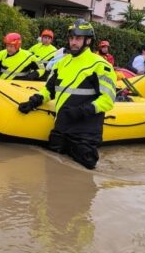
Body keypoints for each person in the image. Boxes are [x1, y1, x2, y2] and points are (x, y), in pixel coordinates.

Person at [17, 19, 116, 169]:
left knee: (83, 176)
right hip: (62, 127)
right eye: (71, 38)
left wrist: (81, 111)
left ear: (88, 40)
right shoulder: (61, 63)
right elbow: (49, 90)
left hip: (85, 132)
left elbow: (108, 100)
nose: (73, 42)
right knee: (52, 171)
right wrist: (34, 101)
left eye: (78, 38)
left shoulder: (101, 66)